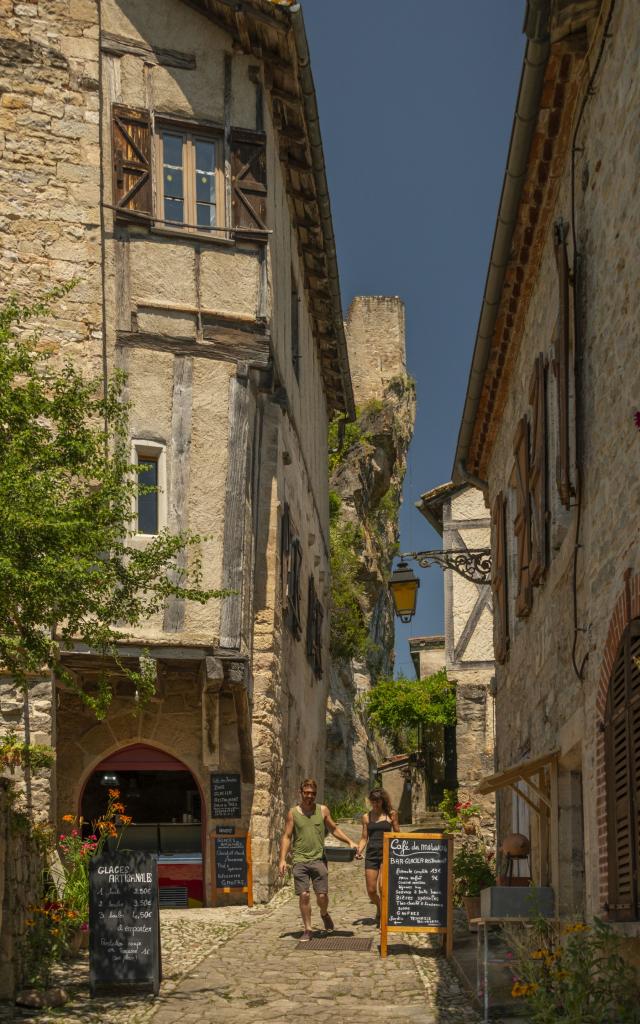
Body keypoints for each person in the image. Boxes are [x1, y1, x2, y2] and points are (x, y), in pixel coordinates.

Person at [279, 777, 358, 941]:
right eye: (306, 793)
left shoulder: (322, 810)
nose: (309, 796)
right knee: (304, 895)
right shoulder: (293, 813)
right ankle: (307, 929)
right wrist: (282, 859)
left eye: (312, 793)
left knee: (322, 896)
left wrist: (350, 841)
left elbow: (334, 829)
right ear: (300, 793)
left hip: (319, 859)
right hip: (300, 859)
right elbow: (287, 836)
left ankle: (324, 913)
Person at [355, 787, 400, 925]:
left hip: (387, 853)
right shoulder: (366, 817)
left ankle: (385, 916)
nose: (375, 804)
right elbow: (364, 837)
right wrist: (359, 850)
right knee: (371, 890)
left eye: (378, 801)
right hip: (372, 854)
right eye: (373, 801)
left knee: (382, 887)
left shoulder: (391, 814)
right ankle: (380, 908)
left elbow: (397, 834)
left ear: (382, 800)